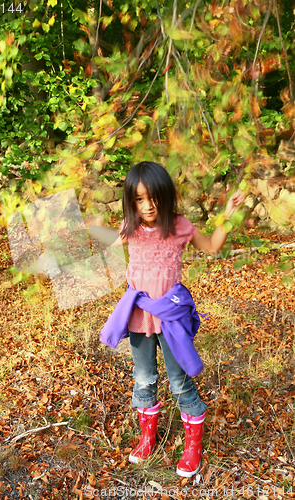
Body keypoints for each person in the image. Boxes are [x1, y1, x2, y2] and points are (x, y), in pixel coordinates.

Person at [100, 161, 245, 477]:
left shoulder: (180, 226)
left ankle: (192, 445)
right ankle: (147, 438)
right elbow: (104, 256)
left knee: (178, 381)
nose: (148, 205)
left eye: (153, 197)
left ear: (166, 196)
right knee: (143, 377)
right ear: (130, 201)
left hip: (170, 316)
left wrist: (228, 214)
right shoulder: (130, 227)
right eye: (139, 199)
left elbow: (213, 246)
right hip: (139, 316)